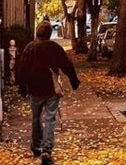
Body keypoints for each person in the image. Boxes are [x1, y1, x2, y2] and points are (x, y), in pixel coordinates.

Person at [16, 20, 80, 165]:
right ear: (50, 34)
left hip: (34, 89)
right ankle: (47, 150)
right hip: (51, 88)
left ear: (37, 33)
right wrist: (74, 81)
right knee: (50, 119)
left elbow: (22, 68)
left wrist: (22, 87)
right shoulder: (55, 48)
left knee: (36, 118)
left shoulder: (30, 48)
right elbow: (66, 65)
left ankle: (36, 146)